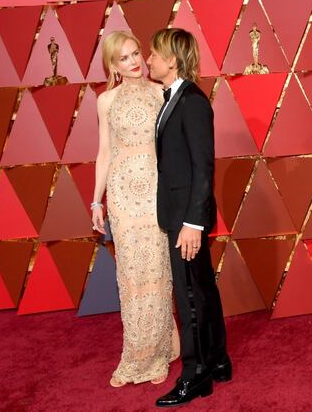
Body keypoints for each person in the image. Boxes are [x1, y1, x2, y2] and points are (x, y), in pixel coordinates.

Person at [146, 28, 231, 408]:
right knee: (202, 289)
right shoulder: (174, 98)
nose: (148, 59)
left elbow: (203, 166)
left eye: (153, 54)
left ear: (173, 60)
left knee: (190, 295)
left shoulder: (193, 102)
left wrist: (194, 223)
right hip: (180, 214)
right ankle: (217, 360)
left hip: (187, 219)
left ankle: (195, 374)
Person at [90, 30, 179, 387]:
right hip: (123, 195)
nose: (135, 61)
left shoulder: (161, 92)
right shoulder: (105, 101)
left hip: (155, 192)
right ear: (113, 65)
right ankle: (137, 352)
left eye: (136, 53)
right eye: (124, 58)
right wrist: (98, 201)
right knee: (132, 274)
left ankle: (160, 351)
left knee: (157, 271)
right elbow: (104, 153)